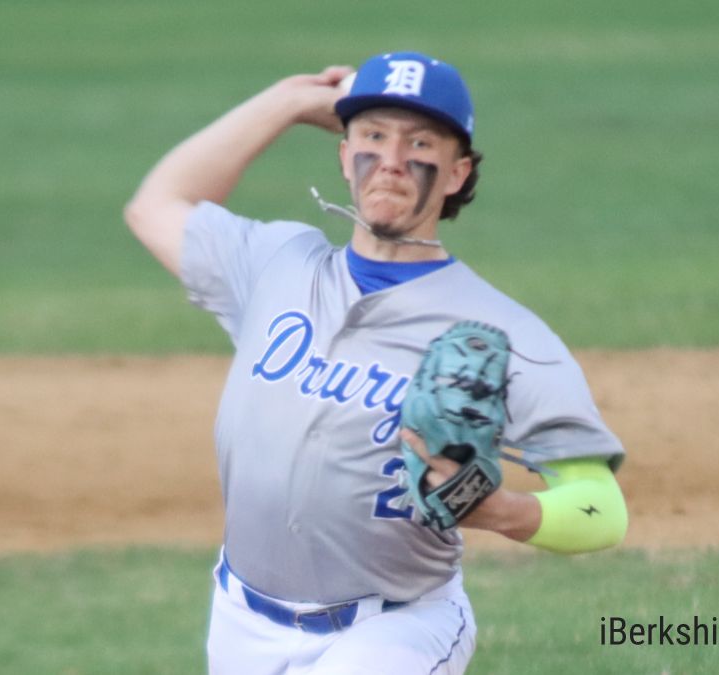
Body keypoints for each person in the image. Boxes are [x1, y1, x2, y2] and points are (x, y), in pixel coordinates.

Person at [125, 51, 628, 675]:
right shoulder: (276, 264)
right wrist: (287, 102)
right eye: (372, 136)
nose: (390, 159)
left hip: (395, 627)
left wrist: (502, 511)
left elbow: (601, 509)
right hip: (239, 624)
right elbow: (156, 206)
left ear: (456, 173)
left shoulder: (499, 334)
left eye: (419, 142)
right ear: (344, 157)